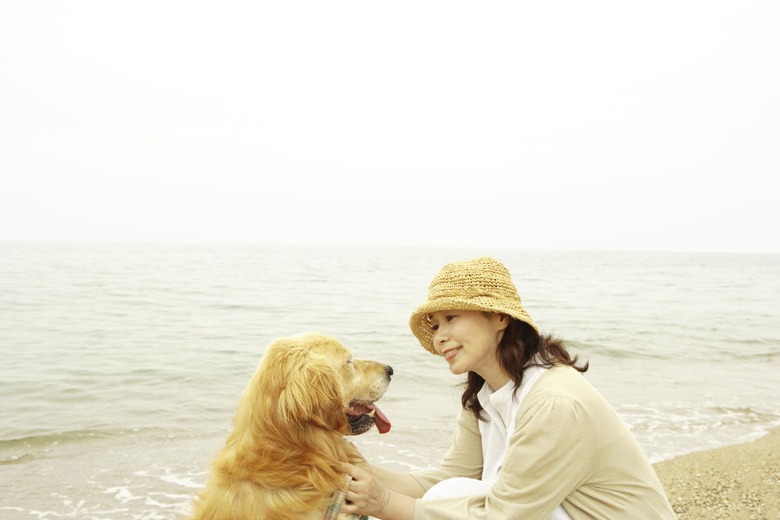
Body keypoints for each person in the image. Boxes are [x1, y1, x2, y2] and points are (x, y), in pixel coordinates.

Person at [341, 257, 675, 520]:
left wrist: (383, 504)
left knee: (451, 498)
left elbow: (505, 514)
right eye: (436, 325)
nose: (441, 335)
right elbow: (446, 478)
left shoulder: (552, 402)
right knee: (451, 492)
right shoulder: (484, 397)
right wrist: (344, 467)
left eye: (452, 317)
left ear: (500, 317)